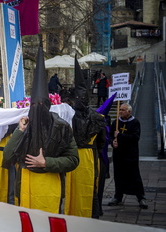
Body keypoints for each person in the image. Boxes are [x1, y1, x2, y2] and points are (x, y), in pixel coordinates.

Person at [2, 45, 79, 214]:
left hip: (51, 184)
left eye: (41, 105)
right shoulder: (25, 128)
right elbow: (7, 158)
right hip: (26, 186)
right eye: (34, 105)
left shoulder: (61, 127)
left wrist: (46, 162)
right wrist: (20, 131)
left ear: (49, 106)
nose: (37, 108)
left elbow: (73, 160)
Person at [64, 57, 106, 218]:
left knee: (86, 188)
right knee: (77, 188)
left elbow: (101, 140)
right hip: (84, 155)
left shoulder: (94, 118)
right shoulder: (94, 117)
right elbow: (102, 141)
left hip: (84, 155)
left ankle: (88, 216)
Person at [108, 103, 148, 209]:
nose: (120, 111)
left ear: (129, 112)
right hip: (119, 154)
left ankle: (141, 197)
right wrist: (113, 142)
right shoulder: (116, 122)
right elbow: (111, 135)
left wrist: (120, 136)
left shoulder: (135, 122)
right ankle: (118, 196)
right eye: (120, 109)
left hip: (130, 154)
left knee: (134, 175)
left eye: (123, 110)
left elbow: (135, 137)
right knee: (118, 175)